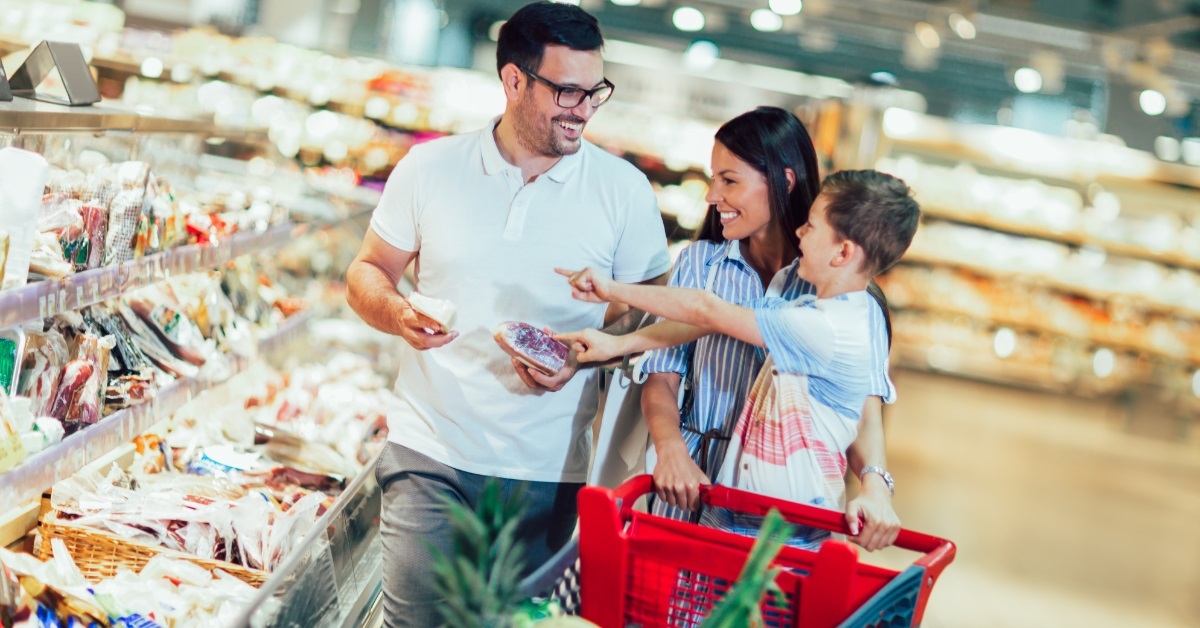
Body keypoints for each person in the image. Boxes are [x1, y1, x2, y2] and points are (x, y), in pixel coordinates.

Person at [344, 2, 670, 625]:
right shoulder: (432, 167)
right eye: (567, 90)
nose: (583, 109)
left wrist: (584, 354)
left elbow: (649, 315)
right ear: (514, 80)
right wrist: (396, 313)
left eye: (594, 91)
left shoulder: (622, 191)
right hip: (429, 450)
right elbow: (367, 271)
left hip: (546, 471)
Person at [558, 110, 900, 551]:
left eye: (729, 180)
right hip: (686, 490)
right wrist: (671, 450)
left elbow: (860, 410)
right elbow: (665, 368)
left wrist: (876, 486)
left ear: (784, 180)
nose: (712, 196)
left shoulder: (838, 296)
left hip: (778, 516)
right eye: (712, 179)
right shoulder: (702, 262)